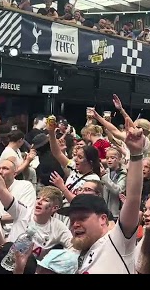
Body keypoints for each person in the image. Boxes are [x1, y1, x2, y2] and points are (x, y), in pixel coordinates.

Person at [52, 113, 144, 274]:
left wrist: (136, 154)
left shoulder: (116, 240)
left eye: (82, 218)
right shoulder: (79, 253)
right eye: (72, 219)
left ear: (103, 219)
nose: (75, 224)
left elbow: (134, 198)